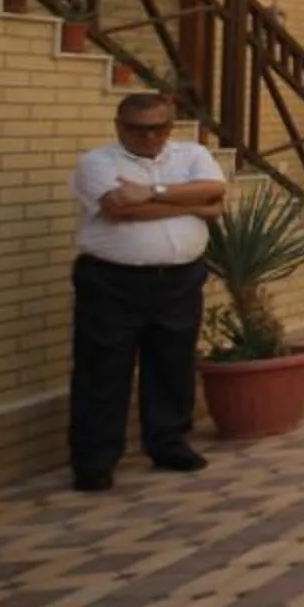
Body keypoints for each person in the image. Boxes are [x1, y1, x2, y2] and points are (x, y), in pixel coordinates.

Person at [68, 92, 226, 492]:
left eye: (158, 128)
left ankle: (169, 442)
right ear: (120, 126)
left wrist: (152, 193)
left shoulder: (190, 155)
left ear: (170, 127)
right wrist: (192, 205)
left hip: (179, 278)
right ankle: (95, 459)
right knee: (103, 369)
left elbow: (214, 190)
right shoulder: (98, 162)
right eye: (139, 129)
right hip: (112, 281)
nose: (150, 137)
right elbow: (117, 209)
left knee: (173, 364)